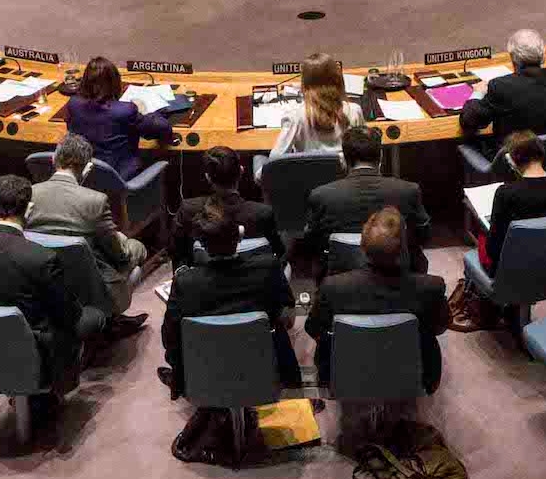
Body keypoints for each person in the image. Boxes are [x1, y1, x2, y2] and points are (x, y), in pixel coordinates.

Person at [0, 174, 90, 404]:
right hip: (35, 355)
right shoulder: (41, 258)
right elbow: (69, 315)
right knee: (92, 316)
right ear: (29, 209)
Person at [308, 207, 449, 402]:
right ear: (404, 248)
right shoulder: (431, 287)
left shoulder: (332, 287)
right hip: (415, 373)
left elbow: (313, 329)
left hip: (345, 375)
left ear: (363, 246)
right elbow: (440, 327)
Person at [161, 203, 299, 396]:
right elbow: (287, 312)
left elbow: (170, 337)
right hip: (264, 369)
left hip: (206, 374)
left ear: (200, 244)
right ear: (240, 235)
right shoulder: (268, 268)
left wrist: (180, 370)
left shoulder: (184, 283)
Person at [26, 133, 148, 336]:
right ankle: (111, 319)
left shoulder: (30, 193)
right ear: (88, 168)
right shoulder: (96, 201)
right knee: (136, 250)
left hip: (47, 285)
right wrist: (130, 245)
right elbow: (119, 256)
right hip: (94, 289)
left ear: (53, 160)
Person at [299, 125, 432, 276]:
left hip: (339, 272)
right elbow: (424, 234)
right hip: (398, 270)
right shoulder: (408, 191)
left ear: (343, 159)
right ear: (381, 157)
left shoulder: (321, 196)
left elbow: (311, 241)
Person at [479, 131, 546, 274]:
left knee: (482, 236)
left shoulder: (505, 194)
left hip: (513, 270)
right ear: (542, 154)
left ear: (512, 161)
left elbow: (493, 249)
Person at [459, 29, 546, 152]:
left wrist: (478, 92)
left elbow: (469, 122)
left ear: (512, 56)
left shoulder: (500, 86)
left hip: (515, 162)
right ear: (543, 53)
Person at [59, 56, 173, 182]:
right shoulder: (125, 110)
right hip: (120, 178)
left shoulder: (73, 104)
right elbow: (163, 129)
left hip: (86, 176)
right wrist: (144, 111)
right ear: (115, 83)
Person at [170, 147, 282, 267]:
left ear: (208, 177)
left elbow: (177, 253)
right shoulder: (263, 213)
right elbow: (278, 252)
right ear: (241, 171)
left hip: (202, 279)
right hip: (253, 278)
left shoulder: (187, 209)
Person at [269, 53, 363, 157]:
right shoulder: (354, 111)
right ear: (338, 79)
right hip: (344, 171)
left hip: (307, 172)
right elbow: (365, 149)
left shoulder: (295, 117)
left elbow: (275, 158)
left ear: (304, 83)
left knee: (258, 159)